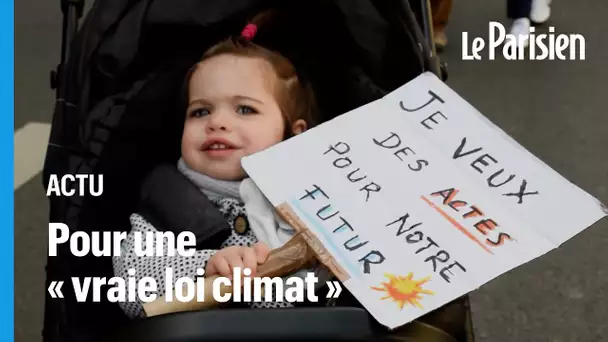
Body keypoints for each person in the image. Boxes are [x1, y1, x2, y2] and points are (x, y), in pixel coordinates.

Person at [112, 11, 330, 319]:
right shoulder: (169, 205)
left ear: (292, 134)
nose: (217, 122)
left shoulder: (318, 200)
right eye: (200, 112)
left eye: (244, 109)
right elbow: (133, 283)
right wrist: (206, 266)